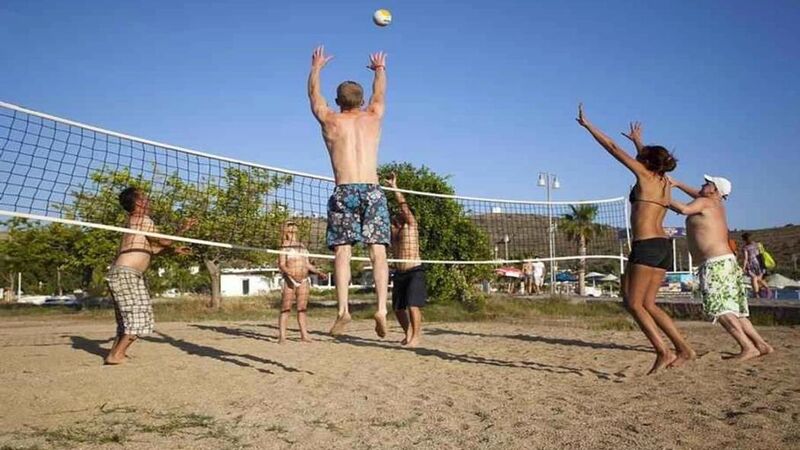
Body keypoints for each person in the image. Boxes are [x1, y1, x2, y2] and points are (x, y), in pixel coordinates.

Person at [577, 106, 695, 374]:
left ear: (647, 162)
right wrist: (638, 141)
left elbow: (612, 147)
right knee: (648, 304)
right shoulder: (665, 181)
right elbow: (650, 158)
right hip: (663, 246)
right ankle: (684, 349)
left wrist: (588, 125)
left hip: (647, 245)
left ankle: (663, 351)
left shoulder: (643, 175)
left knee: (632, 302)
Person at [308, 46, 390, 337]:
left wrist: (316, 68)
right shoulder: (373, 116)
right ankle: (381, 308)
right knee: (378, 252)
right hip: (373, 190)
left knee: (342, 252)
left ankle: (343, 311)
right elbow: (380, 95)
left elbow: (314, 100)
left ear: (337, 101)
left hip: (344, 190)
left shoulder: (330, 120)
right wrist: (379, 69)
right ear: (362, 100)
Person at [670, 175, 773, 360]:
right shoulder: (715, 203)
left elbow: (684, 209)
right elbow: (696, 193)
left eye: (707, 183)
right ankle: (762, 345)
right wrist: (677, 184)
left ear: (715, 190)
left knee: (720, 308)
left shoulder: (705, 203)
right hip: (726, 262)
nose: (702, 184)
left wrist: (658, 195)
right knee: (736, 311)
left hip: (715, 264)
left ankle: (747, 347)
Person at [105, 187, 195, 365]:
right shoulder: (142, 219)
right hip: (126, 274)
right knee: (140, 316)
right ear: (138, 202)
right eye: (144, 197)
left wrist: (173, 250)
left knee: (126, 320)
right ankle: (116, 356)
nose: (149, 199)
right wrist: (182, 229)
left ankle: (116, 353)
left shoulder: (134, 222)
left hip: (124, 274)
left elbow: (152, 249)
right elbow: (164, 241)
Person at [385, 172, 427, 347]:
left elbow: (403, 206)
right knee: (397, 308)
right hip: (399, 272)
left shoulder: (411, 225)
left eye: (399, 214)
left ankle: (416, 336)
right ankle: (407, 333)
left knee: (412, 305)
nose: (397, 214)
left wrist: (394, 187)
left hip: (414, 270)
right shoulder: (393, 232)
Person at [277, 221, 328, 344]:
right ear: (286, 230)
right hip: (290, 280)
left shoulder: (302, 246)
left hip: (304, 280)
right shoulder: (284, 246)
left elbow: (307, 264)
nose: (293, 228)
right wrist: (289, 273)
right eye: (290, 226)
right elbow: (282, 264)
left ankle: (304, 335)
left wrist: (319, 272)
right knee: (286, 308)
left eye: (294, 226)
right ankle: (282, 336)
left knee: (302, 308)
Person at [742, 232, 772, 299]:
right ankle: (767, 289)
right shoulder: (758, 245)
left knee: (754, 278)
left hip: (751, 264)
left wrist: (743, 267)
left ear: (744, 239)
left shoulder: (745, 247)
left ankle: (756, 294)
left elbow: (746, 258)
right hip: (759, 263)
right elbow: (762, 254)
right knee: (758, 279)